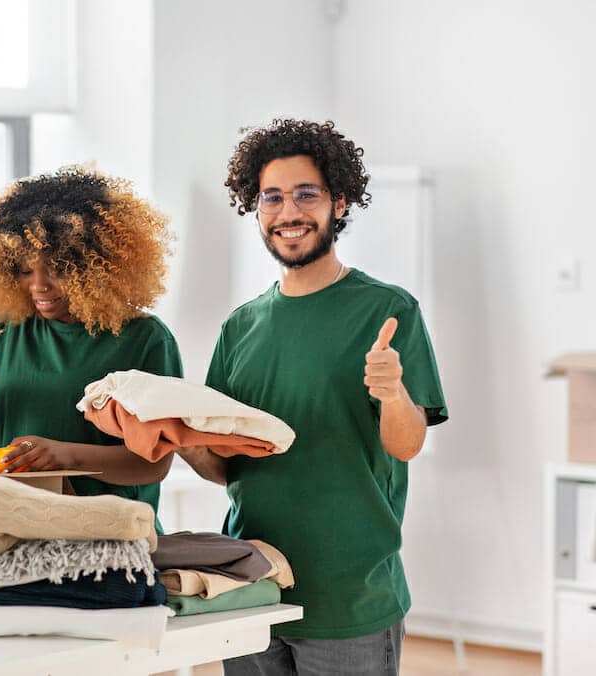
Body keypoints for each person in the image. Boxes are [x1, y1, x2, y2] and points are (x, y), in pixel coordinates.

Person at [179, 119, 448, 676]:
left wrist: (393, 392)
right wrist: (176, 438)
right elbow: (227, 467)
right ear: (256, 209)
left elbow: (406, 445)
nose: (289, 213)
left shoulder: (388, 311)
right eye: (272, 198)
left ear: (340, 204)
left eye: (307, 194)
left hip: (351, 597)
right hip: (253, 586)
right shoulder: (241, 327)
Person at [0, 167, 183, 513]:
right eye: (26, 270)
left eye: (58, 269)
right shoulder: (5, 330)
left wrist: (64, 455)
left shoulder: (145, 339)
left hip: (108, 534)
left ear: (96, 264)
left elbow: (153, 464)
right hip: (14, 525)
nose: (39, 286)